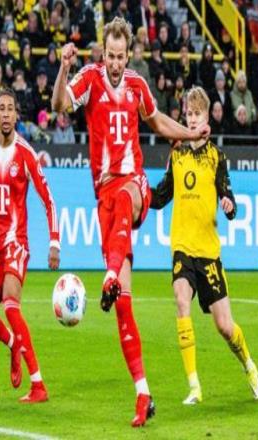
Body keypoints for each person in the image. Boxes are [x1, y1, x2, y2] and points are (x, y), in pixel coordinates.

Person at [52, 17, 210, 427]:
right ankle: (143, 393)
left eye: (123, 56)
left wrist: (191, 135)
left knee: (126, 196)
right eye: (112, 55)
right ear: (103, 52)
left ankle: (108, 275)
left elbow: (157, 122)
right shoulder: (89, 78)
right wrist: (64, 68)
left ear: (129, 54)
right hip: (104, 199)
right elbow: (59, 106)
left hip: (133, 186)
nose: (117, 63)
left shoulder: (138, 85)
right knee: (123, 305)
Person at [150, 86, 258, 405]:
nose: (191, 119)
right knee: (181, 300)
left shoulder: (217, 157)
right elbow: (161, 196)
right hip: (182, 246)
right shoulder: (177, 155)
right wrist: (137, 194)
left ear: (206, 119)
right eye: (188, 113)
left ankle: (248, 364)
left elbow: (230, 199)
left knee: (225, 327)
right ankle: (194, 387)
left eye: (197, 114)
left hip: (208, 252)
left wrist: (228, 204)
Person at [0, 89, 60, 403]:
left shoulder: (25, 153)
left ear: (16, 115)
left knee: (11, 305)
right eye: (1, 108)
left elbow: (48, 200)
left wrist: (54, 242)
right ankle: (13, 344)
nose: (6, 114)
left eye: (11, 108)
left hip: (16, 243)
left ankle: (38, 384)